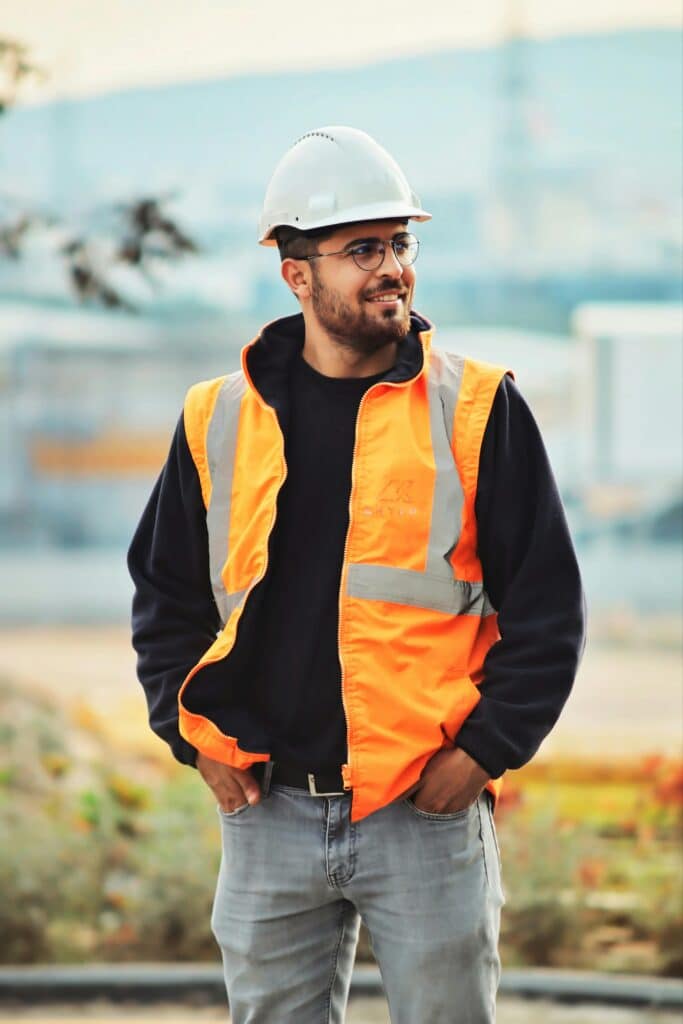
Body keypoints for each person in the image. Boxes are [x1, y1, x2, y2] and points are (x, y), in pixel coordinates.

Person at [128, 125, 585, 1023]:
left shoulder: (477, 409)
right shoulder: (217, 416)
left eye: (401, 245)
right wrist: (192, 743)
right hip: (268, 811)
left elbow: (548, 611)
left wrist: (482, 755)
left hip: (424, 806)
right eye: (362, 249)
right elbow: (166, 592)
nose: (393, 269)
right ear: (296, 273)